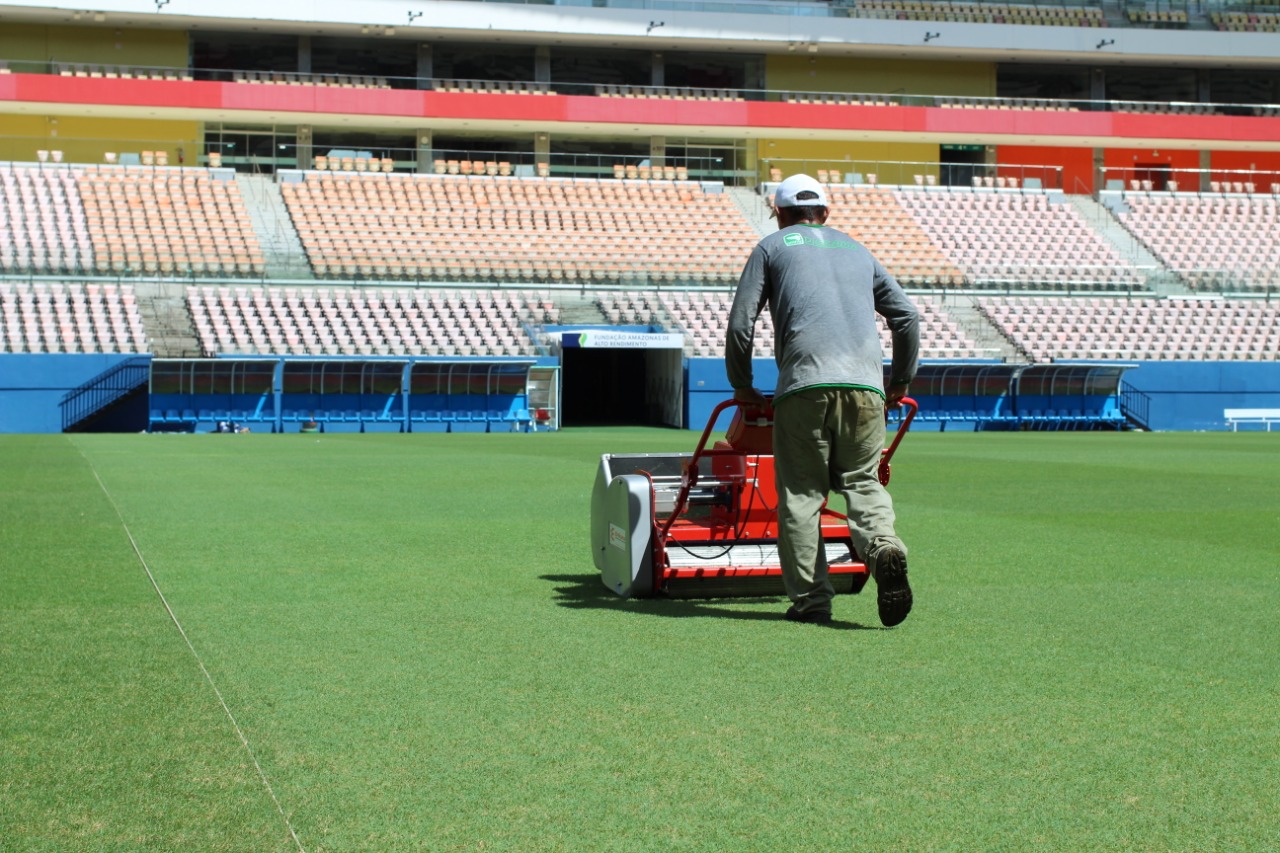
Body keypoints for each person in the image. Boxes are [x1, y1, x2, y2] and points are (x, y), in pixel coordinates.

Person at [725, 173, 920, 627]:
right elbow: (906, 316)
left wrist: (741, 384)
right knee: (862, 481)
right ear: (826, 213)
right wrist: (900, 382)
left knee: (801, 495)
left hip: (803, 386)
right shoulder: (858, 249)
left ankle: (812, 601)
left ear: (778, 213)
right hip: (867, 387)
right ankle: (883, 547)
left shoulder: (771, 247)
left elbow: (741, 325)